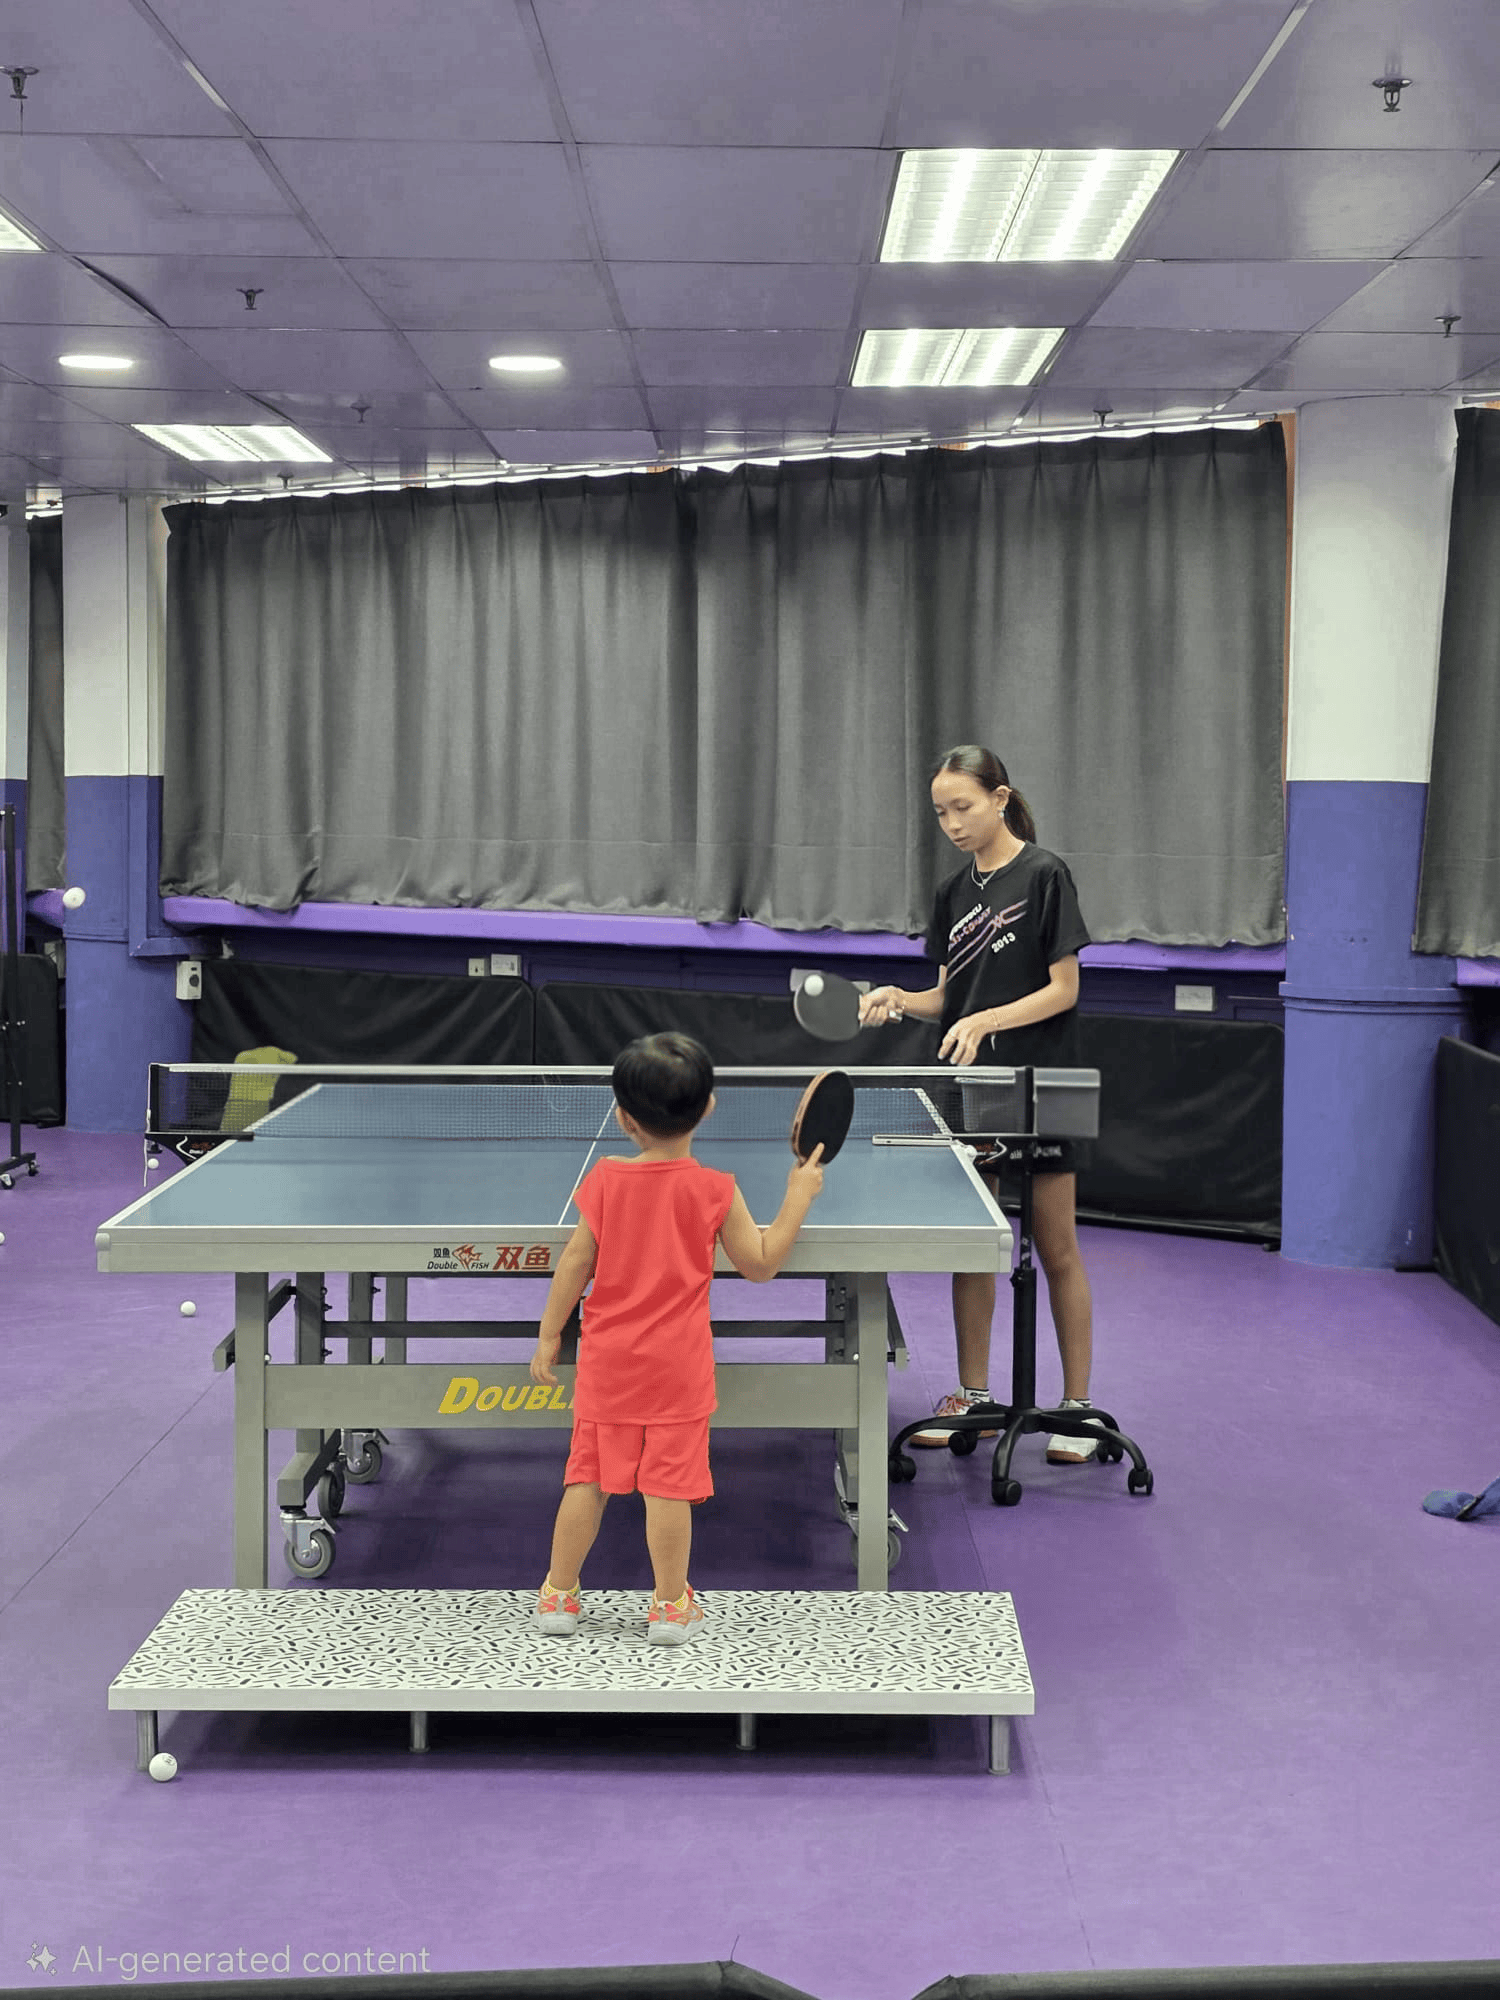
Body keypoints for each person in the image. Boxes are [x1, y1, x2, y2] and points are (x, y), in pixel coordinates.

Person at [529, 1031, 825, 1645]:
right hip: (678, 1371)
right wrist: (797, 1198)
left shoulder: (606, 1180)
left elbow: (575, 1263)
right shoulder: (716, 1189)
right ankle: (668, 1606)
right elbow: (761, 1263)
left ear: (623, 1118)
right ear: (709, 1106)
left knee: (586, 1478)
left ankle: (558, 1595)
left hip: (608, 1363)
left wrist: (549, 1334)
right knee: (668, 1487)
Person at [859, 744, 1102, 1463]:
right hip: (976, 1087)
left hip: (1043, 1083)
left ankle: (1078, 1407)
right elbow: (949, 997)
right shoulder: (952, 893)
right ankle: (975, 1396)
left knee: (1056, 1246)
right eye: (941, 813)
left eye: (963, 806)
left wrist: (986, 1021)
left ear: (1001, 797)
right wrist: (900, 1000)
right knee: (976, 1244)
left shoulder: (1045, 874)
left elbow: (1065, 989)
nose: (953, 823)